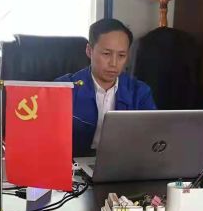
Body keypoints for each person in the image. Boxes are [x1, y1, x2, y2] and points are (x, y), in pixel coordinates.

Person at [56, 18, 156, 156]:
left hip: (123, 161)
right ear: (89, 51)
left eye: (121, 55)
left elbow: (152, 138)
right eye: (106, 54)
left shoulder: (140, 92)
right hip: (74, 163)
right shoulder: (63, 88)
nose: (114, 63)